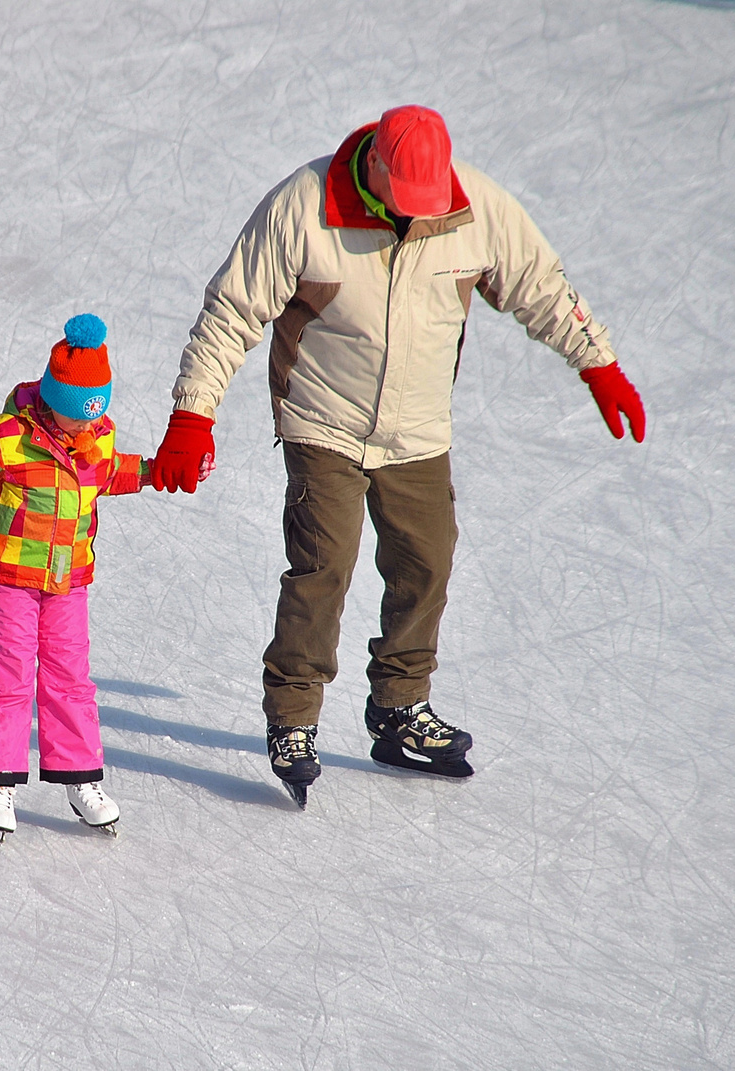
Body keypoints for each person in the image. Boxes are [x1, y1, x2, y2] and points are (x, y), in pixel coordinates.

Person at [149, 105, 646, 807]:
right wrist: (191, 414)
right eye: (403, 203)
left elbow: (539, 283)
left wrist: (597, 363)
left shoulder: (474, 207)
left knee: (428, 559)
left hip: (418, 431)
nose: (415, 217)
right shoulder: (305, 206)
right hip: (323, 420)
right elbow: (232, 310)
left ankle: (399, 707)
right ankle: (293, 717)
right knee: (325, 563)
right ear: (374, 165)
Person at [0, 314, 151, 842]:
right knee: (9, 678)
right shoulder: (8, 439)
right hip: (10, 579)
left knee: (71, 679)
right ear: (53, 401)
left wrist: (155, 470)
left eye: (94, 417)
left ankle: (80, 777)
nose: (86, 429)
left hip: (69, 581)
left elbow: (110, 471)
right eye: (77, 419)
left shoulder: (96, 436)